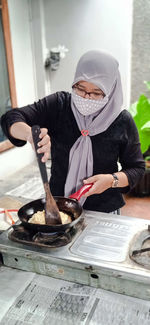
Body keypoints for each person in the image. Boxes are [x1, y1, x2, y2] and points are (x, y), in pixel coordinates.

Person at [1, 50, 145, 214]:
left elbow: (136, 168)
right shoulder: (59, 105)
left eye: (96, 93)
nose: (86, 97)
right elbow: (11, 117)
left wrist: (111, 180)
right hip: (58, 206)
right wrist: (29, 135)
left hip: (103, 209)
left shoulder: (122, 121)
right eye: (80, 88)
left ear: (111, 91)